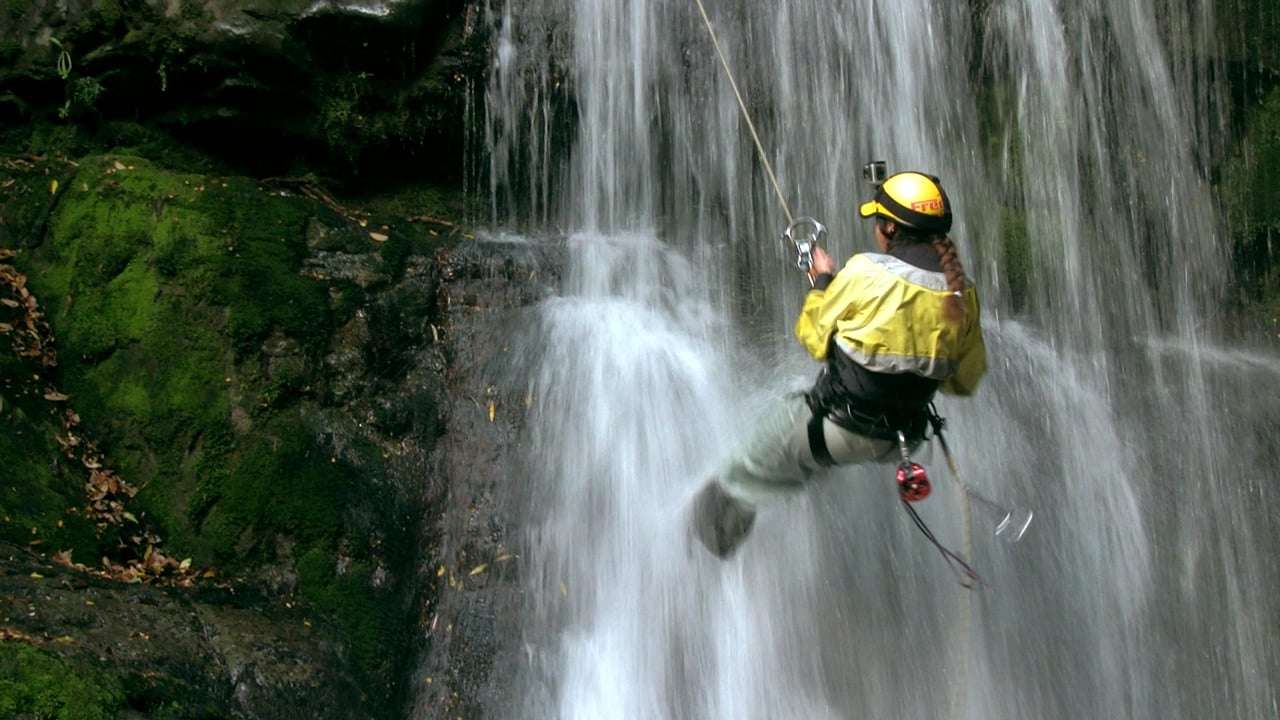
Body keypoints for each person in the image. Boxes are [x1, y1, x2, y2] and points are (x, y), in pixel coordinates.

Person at [690, 171, 987, 558]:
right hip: (903, 439)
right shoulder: (963, 296)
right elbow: (963, 380)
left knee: (733, 477)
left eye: (878, 222)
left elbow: (813, 337)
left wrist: (822, 280)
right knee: (798, 461)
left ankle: (700, 553)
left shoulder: (867, 272)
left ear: (890, 229)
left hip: (835, 428)